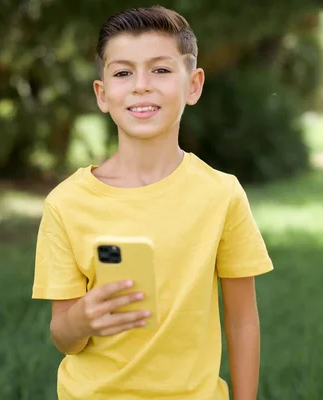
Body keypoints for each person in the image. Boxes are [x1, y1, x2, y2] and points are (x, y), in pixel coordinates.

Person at [31, 5, 274, 400]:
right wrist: (83, 318)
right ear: (103, 93)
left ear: (193, 85)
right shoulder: (66, 204)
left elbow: (243, 319)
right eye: (123, 73)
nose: (141, 85)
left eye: (160, 70)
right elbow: (64, 337)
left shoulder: (222, 194)